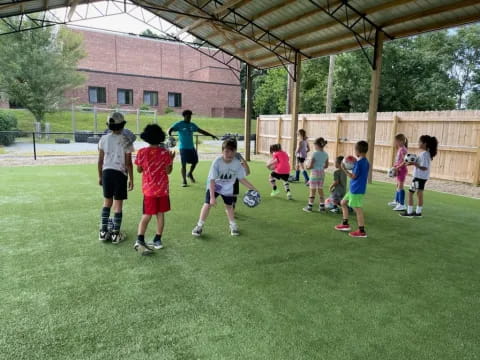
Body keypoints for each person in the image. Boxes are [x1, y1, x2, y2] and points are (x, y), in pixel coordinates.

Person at [191, 139, 258, 237]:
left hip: (227, 189)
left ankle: (233, 226)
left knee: (229, 207)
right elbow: (212, 180)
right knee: (207, 204)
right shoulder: (217, 162)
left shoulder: (236, 163)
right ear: (222, 151)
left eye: (232, 151)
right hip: (215, 186)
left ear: (235, 152)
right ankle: (199, 226)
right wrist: (212, 197)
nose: (229, 154)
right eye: (226, 151)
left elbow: (241, 178)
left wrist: (253, 188)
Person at [134, 124, 175, 255]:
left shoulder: (141, 152)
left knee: (146, 214)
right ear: (160, 137)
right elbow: (168, 171)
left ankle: (140, 239)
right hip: (162, 190)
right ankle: (157, 240)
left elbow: (139, 170)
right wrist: (171, 160)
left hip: (149, 190)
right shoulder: (165, 153)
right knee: (160, 214)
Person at [97, 112, 134, 244]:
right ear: (123, 125)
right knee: (118, 205)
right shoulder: (126, 140)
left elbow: (100, 160)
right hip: (120, 174)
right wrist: (131, 179)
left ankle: (103, 232)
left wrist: (100, 176)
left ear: (108, 125)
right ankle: (115, 235)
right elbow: (128, 163)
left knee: (107, 202)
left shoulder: (103, 139)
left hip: (106, 173)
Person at [168, 110, 218, 187]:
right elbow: (170, 129)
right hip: (183, 148)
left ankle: (190, 173)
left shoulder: (192, 125)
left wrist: (211, 135)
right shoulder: (179, 124)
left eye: (190, 116)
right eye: (188, 116)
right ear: (184, 116)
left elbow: (201, 131)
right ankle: (184, 181)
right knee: (183, 164)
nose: (189, 118)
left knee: (195, 162)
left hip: (191, 147)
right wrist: (170, 135)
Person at [334, 141, 369, 238]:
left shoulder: (359, 163)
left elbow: (353, 176)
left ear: (357, 151)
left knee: (357, 209)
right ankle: (345, 224)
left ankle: (362, 231)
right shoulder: (365, 162)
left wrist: (344, 169)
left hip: (356, 189)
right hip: (354, 188)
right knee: (343, 203)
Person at [400, 135, 438, 218]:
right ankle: (418, 212)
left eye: (420, 142)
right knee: (419, 194)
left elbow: (424, 167)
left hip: (418, 178)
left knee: (410, 193)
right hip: (422, 178)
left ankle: (409, 213)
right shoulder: (425, 154)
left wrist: (414, 164)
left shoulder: (424, 154)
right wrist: (411, 163)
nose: (418, 143)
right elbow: (419, 164)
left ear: (425, 144)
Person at [303, 137, 329, 212]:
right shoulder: (326, 154)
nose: (314, 147)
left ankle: (309, 206)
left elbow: (310, 166)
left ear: (317, 145)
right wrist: (320, 166)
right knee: (320, 189)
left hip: (314, 173)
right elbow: (326, 166)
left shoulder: (315, 154)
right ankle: (322, 206)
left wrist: (306, 167)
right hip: (322, 173)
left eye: (314, 145)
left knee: (312, 190)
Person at [388, 134, 409, 211]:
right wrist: (395, 166)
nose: (395, 143)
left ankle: (402, 204)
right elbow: (399, 160)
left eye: (396, 141)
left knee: (400, 186)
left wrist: (398, 167)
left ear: (401, 141)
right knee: (398, 185)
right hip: (398, 169)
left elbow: (405, 161)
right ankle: (397, 201)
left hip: (402, 170)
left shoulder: (403, 149)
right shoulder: (400, 148)